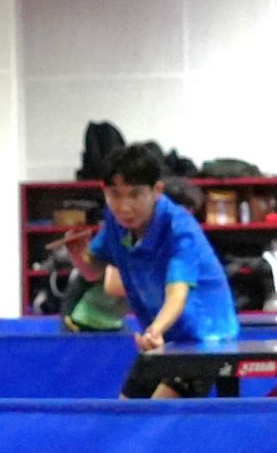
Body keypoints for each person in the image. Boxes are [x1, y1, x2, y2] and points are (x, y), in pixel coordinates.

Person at [65, 142, 239, 398]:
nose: (124, 206)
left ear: (156, 190)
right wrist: (77, 254)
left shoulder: (179, 228)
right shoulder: (115, 222)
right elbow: (93, 271)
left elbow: (177, 294)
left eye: (135, 194)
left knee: (157, 414)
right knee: (125, 413)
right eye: (115, 195)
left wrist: (155, 331)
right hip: (162, 337)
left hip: (203, 336)